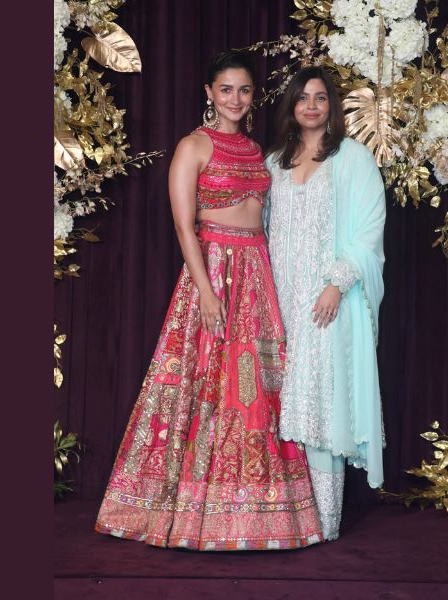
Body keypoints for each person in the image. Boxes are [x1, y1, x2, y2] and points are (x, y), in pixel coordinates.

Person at [95, 51, 323, 550]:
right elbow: (184, 226)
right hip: (214, 270)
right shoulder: (193, 146)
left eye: (244, 90)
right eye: (225, 89)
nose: (235, 99)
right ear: (209, 93)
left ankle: (253, 513)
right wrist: (205, 289)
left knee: (254, 386)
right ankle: (186, 508)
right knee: (204, 382)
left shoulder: (256, 150)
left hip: (257, 271)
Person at [265, 66, 386, 541]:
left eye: (320, 98)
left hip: (326, 302)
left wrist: (338, 283)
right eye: (303, 98)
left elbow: (370, 226)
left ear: (332, 106)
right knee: (283, 403)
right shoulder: (274, 162)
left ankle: (326, 521)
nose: (311, 106)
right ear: (291, 106)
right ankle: (287, 517)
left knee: (323, 402)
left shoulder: (352, 158)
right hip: (281, 297)